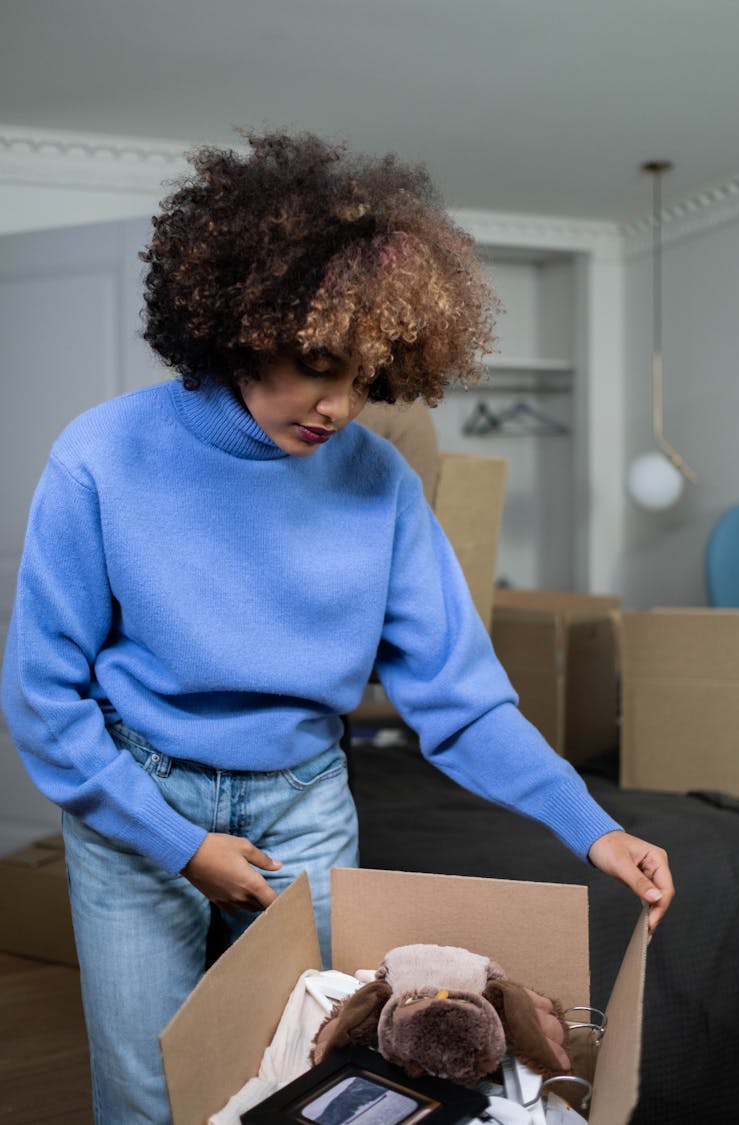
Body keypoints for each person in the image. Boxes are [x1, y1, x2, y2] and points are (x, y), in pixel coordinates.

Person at [1, 131, 673, 1125]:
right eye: (318, 364)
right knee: (148, 1082)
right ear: (235, 321)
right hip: (138, 799)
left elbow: (461, 697)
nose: (339, 406)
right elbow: (44, 700)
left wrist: (595, 827)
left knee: (299, 1062)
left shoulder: (381, 484)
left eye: (367, 377)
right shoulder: (101, 459)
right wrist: (180, 843)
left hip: (305, 806)